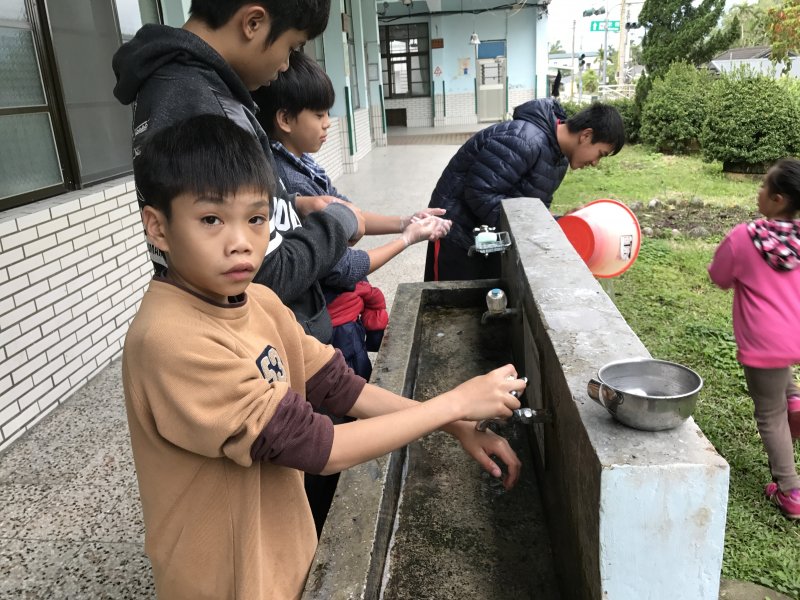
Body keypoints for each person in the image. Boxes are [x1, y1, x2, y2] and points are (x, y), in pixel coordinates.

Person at [124, 114, 524, 599]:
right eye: (211, 219)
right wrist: (453, 404)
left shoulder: (259, 301)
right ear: (158, 228)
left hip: (281, 554)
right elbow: (323, 449)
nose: (240, 243)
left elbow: (339, 387)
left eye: (256, 218)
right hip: (224, 580)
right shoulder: (171, 340)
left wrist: (455, 425)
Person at [251, 50, 452, 535]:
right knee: (338, 420)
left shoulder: (299, 166)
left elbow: (350, 214)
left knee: (350, 401)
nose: (328, 124)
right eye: (319, 114)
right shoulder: (283, 178)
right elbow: (342, 266)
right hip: (327, 325)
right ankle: (329, 521)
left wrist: (405, 220)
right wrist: (408, 239)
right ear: (284, 119)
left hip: (331, 323)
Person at [113, 0, 363, 343]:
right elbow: (265, 275)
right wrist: (338, 223)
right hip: (264, 346)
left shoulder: (177, 87)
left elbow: (222, 203)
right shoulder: (206, 106)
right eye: (291, 47)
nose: (286, 64)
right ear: (253, 22)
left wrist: (291, 204)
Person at [424, 100, 626, 282]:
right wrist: (528, 229)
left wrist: (560, 222)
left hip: (486, 239)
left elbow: (532, 209)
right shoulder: (524, 139)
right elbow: (480, 194)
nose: (595, 162)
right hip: (454, 232)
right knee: (447, 303)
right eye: (600, 154)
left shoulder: (558, 160)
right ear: (586, 135)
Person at [708, 157, 800, 520]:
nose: (758, 191)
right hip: (793, 336)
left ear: (778, 199)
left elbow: (719, 276)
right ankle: (794, 399)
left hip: (762, 342)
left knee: (770, 415)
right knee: (780, 379)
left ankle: (790, 491)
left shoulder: (744, 238)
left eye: (764, 185)